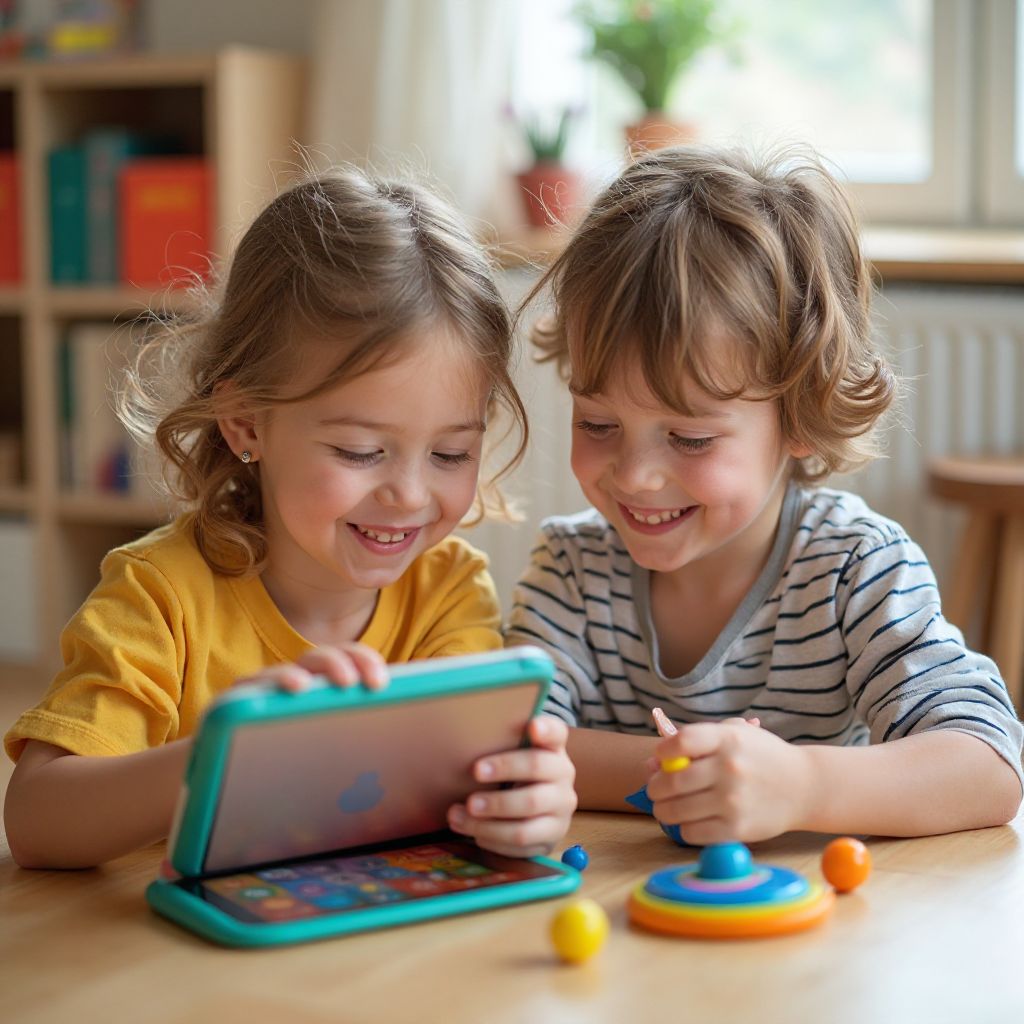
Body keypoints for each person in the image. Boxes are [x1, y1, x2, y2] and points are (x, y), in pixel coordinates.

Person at [5, 167, 576, 869]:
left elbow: (463, 801)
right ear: (246, 422)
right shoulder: (159, 597)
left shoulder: (448, 591)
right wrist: (216, 753)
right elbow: (36, 822)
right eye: (361, 451)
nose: (409, 493)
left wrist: (523, 805)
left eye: (451, 453)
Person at [505, 144, 1023, 844]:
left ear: (801, 415)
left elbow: (988, 766)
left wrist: (801, 786)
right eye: (598, 423)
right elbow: (514, 753)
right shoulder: (571, 573)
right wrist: (687, 771)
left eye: (689, 439)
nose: (634, 475)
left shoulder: (854, 569)